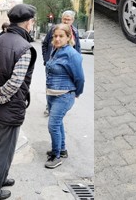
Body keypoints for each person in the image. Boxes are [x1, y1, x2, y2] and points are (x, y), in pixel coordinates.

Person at [0, 4, 37, 200]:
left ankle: (0, 177)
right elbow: (15, 83)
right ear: (28, 23)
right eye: (32, 21)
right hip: (8, 109)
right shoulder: (24, 48)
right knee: (4, 151)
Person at [44, 23, 84, 169]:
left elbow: (80, 77)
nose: (57, 39)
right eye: (55, 36)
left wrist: (77, 93)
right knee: (58, 123)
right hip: (52, 94)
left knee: (53, 125)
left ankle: (56, 156)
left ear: (68, 37)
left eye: (61, 36)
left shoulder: (72, 54)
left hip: (64, 95)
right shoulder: (55, 50)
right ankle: (62, 149)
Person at [41, 10, 81, 116]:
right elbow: (45, 44)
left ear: (72, 20)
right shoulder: (54, 29)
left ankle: (60, 106)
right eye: (65, 19)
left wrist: (78, 61)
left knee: (65, 85)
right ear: (61, 19)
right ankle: (49, 107)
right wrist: (46, 59)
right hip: (52, 64)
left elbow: (78, 48)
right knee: (51, 84)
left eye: (69, 19)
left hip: (68, 65)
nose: (66, 21)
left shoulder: (75, 32)